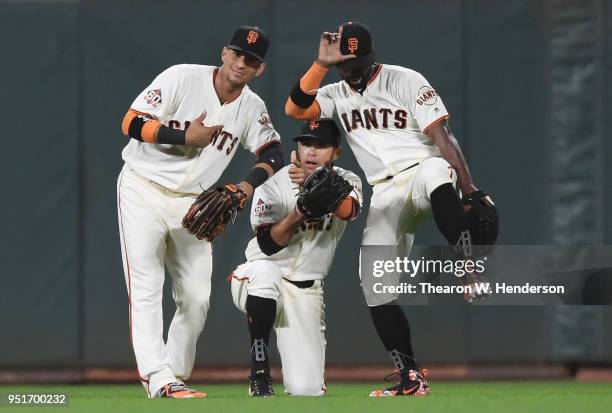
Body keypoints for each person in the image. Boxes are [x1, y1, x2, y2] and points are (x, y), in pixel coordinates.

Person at [285, 22, 496, 397]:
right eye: (345, 64)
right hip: (385, 190)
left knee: (435, 172)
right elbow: (295, 108)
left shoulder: (406, 80)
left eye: (358, 63)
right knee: (374, 284)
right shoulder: (333, 92)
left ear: (371, 56)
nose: (353, 71)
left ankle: (466, 266)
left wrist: (472, 189)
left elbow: (442, 138)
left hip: (422, 171)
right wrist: (319, 65)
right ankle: (409, 376)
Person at [117, 25, 284, 398]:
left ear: (260, 70)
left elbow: (273, 152)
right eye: (238, 54)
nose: (242, 63)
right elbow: (131, 122)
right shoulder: (181, 78)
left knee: (196, 297)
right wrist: (182, 137)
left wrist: (245, 186)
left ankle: (174, 373)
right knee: (145, 285)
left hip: (193, 201)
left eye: (252, 60)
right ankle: (158, 379)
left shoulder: (252, 107)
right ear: (225, 54)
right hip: (142, 187)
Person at [229, 119, 363, 397]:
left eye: (321, 146)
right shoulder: (274, 184)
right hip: (259, 276)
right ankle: (260, 373)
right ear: (297, 150)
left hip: (305, 290)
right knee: (266, 275)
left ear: (336, 153)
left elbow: (349, 211)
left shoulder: (348, 180)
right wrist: (298, 214)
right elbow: (267, 244)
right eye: (306, 144)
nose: (312, 152)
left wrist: (318, 184)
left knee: (307, 389)